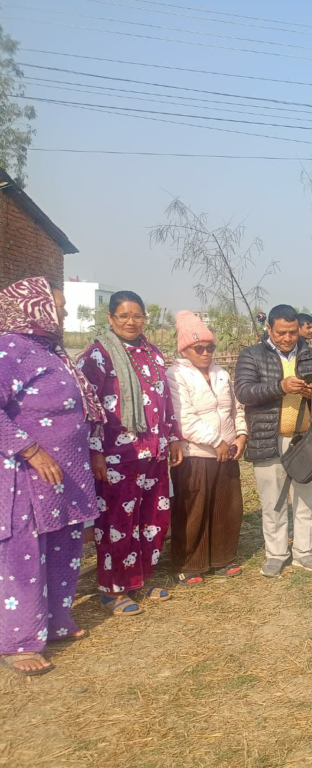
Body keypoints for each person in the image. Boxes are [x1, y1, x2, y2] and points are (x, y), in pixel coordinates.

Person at [0, 278, 103, 675]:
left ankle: (56, 619)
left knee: (64, 545)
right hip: (28, 474)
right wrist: (29, 449)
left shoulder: (49, 350)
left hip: (65, 475)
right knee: (24, 554)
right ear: (34, 307)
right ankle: (20, 640)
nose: (64, 313)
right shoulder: (10, 349)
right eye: (58, 306)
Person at [78, 290, 183, 613]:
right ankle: (114, 589)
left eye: (137, 315)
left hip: (153, 452)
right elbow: (88, 410)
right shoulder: (96, 356)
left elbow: (165, 400)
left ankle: (141, 578)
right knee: (117, 523)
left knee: (152, 519)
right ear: (110, 318)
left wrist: (173, 437)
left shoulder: (153, 353)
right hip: (116, 457)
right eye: (123, 315)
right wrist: (95, 452)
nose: (131, 322)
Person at [234, 304, 312, 578]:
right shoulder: (252, 355)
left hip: (304, 439)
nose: (288, 338)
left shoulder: (311, 355)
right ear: (269, 328)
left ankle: (304, 552)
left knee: (307, 498)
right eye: (281, 332)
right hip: (269, 438)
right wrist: (280, 387)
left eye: (292, 332)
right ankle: (276, 554)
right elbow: (244, 392)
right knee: (274, 501)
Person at [166, 311, 247, 586]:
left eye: (209, 348)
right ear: (184, 350)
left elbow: (236, 408)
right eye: (198, 348)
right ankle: (189, 564)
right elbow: (183, 418)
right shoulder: (176, 375)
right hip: (195, 454)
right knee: (193, 509)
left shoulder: (221, 373)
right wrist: (216, 442)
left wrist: (241, 435)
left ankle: (222, 558)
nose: (205, 353)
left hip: (227, 451)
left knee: (226, 506)